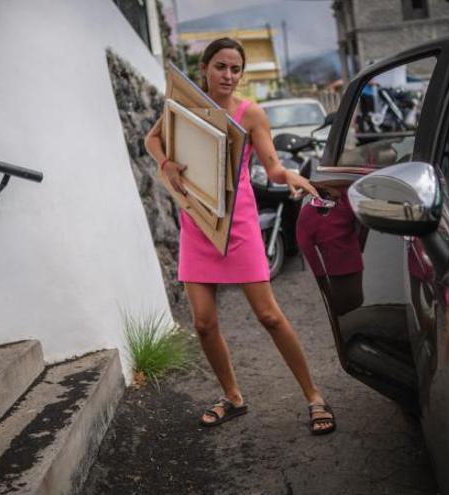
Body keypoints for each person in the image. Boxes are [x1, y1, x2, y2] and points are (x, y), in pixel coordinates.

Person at [144, 38, 336, 435]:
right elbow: (152, 138)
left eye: (235, 69)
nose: (228, 76)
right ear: (204, 69)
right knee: (202, 322)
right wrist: (167, 165)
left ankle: (315, 396)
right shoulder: (186, 107)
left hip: (240, 223)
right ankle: (232, 397)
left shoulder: (251, 115)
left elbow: (273, 167)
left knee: (269, 314)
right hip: (198, 221)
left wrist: (292, 177)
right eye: (220, 67)